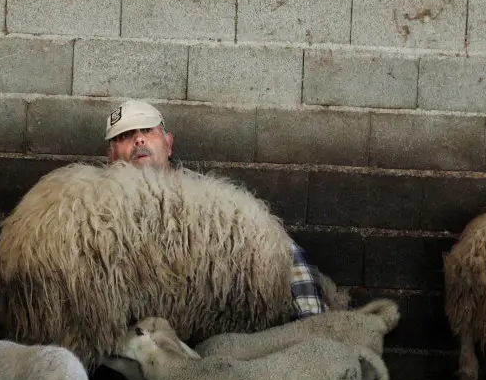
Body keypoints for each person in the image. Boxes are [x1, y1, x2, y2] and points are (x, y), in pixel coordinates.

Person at [103, 98, 328, 318]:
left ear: (168, 144)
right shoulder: (99, 208)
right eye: (125, 136)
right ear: (111, 156)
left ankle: (312, 322)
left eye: (147, 130)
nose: (139, 139)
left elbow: (282, 249)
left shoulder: (207, 197)